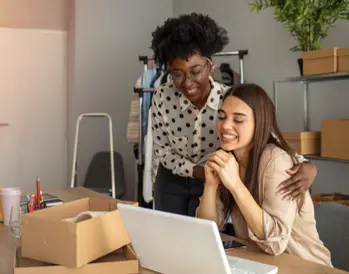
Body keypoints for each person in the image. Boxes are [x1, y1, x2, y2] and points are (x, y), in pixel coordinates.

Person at [150, 13, 317, 217]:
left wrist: (307, 166)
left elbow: (263, 137)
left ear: (210, 66)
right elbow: (162, 150)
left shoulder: (229, 99)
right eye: (178, 74)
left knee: (206, 239)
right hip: (172, 181)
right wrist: (197, 171)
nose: (187, 82)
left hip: (214, 182)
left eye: (195, 71)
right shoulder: (162, 97)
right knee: (168, 237)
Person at [196, 84, 332, 266]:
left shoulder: (274, 160)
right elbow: (207, 229)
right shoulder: (229, 160)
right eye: (222, 117)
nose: (225, 125)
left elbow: (276, 242)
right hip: (260, 264)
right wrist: (211, 186)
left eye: (238, 120)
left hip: (305, 266)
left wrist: (236, 185)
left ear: (259, 124)